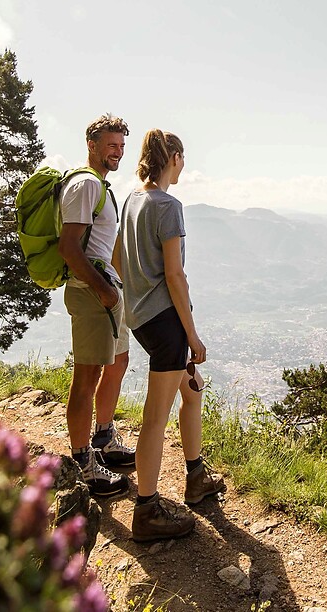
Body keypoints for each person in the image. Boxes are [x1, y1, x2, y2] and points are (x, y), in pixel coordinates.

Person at [114, 129, 224, 542]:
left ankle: (195, 477)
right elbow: (175, 275)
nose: (184, 168)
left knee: (191, 395)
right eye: (183, 159)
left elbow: (116, 258)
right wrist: (192, 337)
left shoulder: (132, 201)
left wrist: (136, 296)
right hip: (167, 323)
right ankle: (146, 511)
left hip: (141, 317)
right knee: (155, 418)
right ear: (173, 157)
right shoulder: (169, 206)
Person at [58, 115, 135, 498]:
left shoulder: (101, 186)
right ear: (92, 144)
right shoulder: (86, 184)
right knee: (85, 379)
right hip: (91, 294)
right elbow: (69, 247)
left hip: (106, 293)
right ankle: (82, 463)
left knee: (118, 362)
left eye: (121, 145)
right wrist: (104, 291)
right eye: (111, 144)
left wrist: (118, 290)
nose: (117, 151)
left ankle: (104, 437)